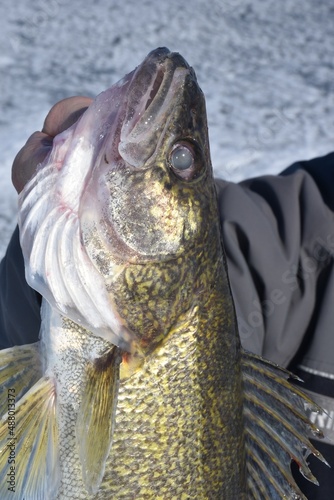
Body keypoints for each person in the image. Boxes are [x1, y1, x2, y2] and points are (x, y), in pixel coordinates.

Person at [1, 97, 334, 499]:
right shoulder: (295, 230)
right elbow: (206, 267)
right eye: (178, 162)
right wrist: (43, 266)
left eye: (179, 160)